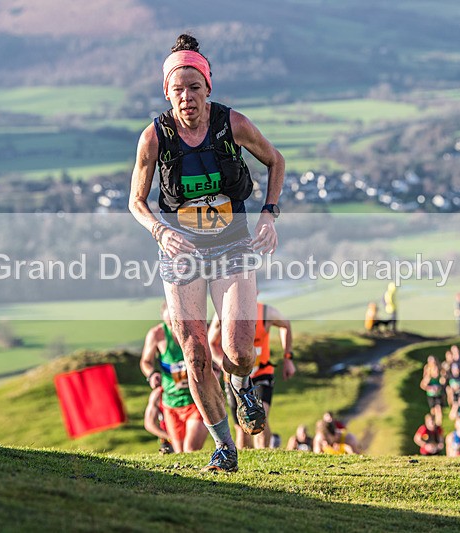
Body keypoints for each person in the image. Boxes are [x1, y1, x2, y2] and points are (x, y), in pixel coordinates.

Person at [129, 34, 285, 472]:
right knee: (195, 352)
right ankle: (224, 447)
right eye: (178, 89)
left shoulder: (231, 124)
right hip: (181, 251)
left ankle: (241, 386)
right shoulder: (153, 138)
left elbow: (276, 160)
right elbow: (136, 203)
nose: (187, 97)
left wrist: (269, 216)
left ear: (208, 88)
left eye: (194, 87)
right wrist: (159, 230)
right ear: (167, 92)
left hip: (233, 243)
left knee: (238, 350)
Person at [209, 300, 296, 449]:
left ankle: (263, 455)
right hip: (235, 377)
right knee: (242, 428)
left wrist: (287, 357)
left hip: (261, 373)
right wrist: (222, 364)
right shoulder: (223, 315)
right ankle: (244, 460)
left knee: (260, 417)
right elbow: (211, 342)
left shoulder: (266, 313)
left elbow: (286, 324)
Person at [140, 302, 209, 453]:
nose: (173, 328)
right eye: (169, 324)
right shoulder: (157, 334)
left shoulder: (197, 331)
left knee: (191, 449)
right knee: (179, 452)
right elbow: (145, 361)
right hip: (171, 402)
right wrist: (152, 374)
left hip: (195, 399)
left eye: (176, 323)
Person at [143, 386, 175, 454]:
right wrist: (170, 437)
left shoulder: (190, 388)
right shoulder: (158, 394)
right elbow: (149, 424)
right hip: (169, 441)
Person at [420, 356, 444, 426]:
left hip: (438, 395)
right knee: (433, 412)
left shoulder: (440, 373)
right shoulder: (428, 376)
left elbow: (443, 381)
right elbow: (422, 385)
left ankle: (439, 426)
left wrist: (441, 385)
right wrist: (430, 388)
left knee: (439, 410)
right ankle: (433, 424)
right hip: (431, 395)